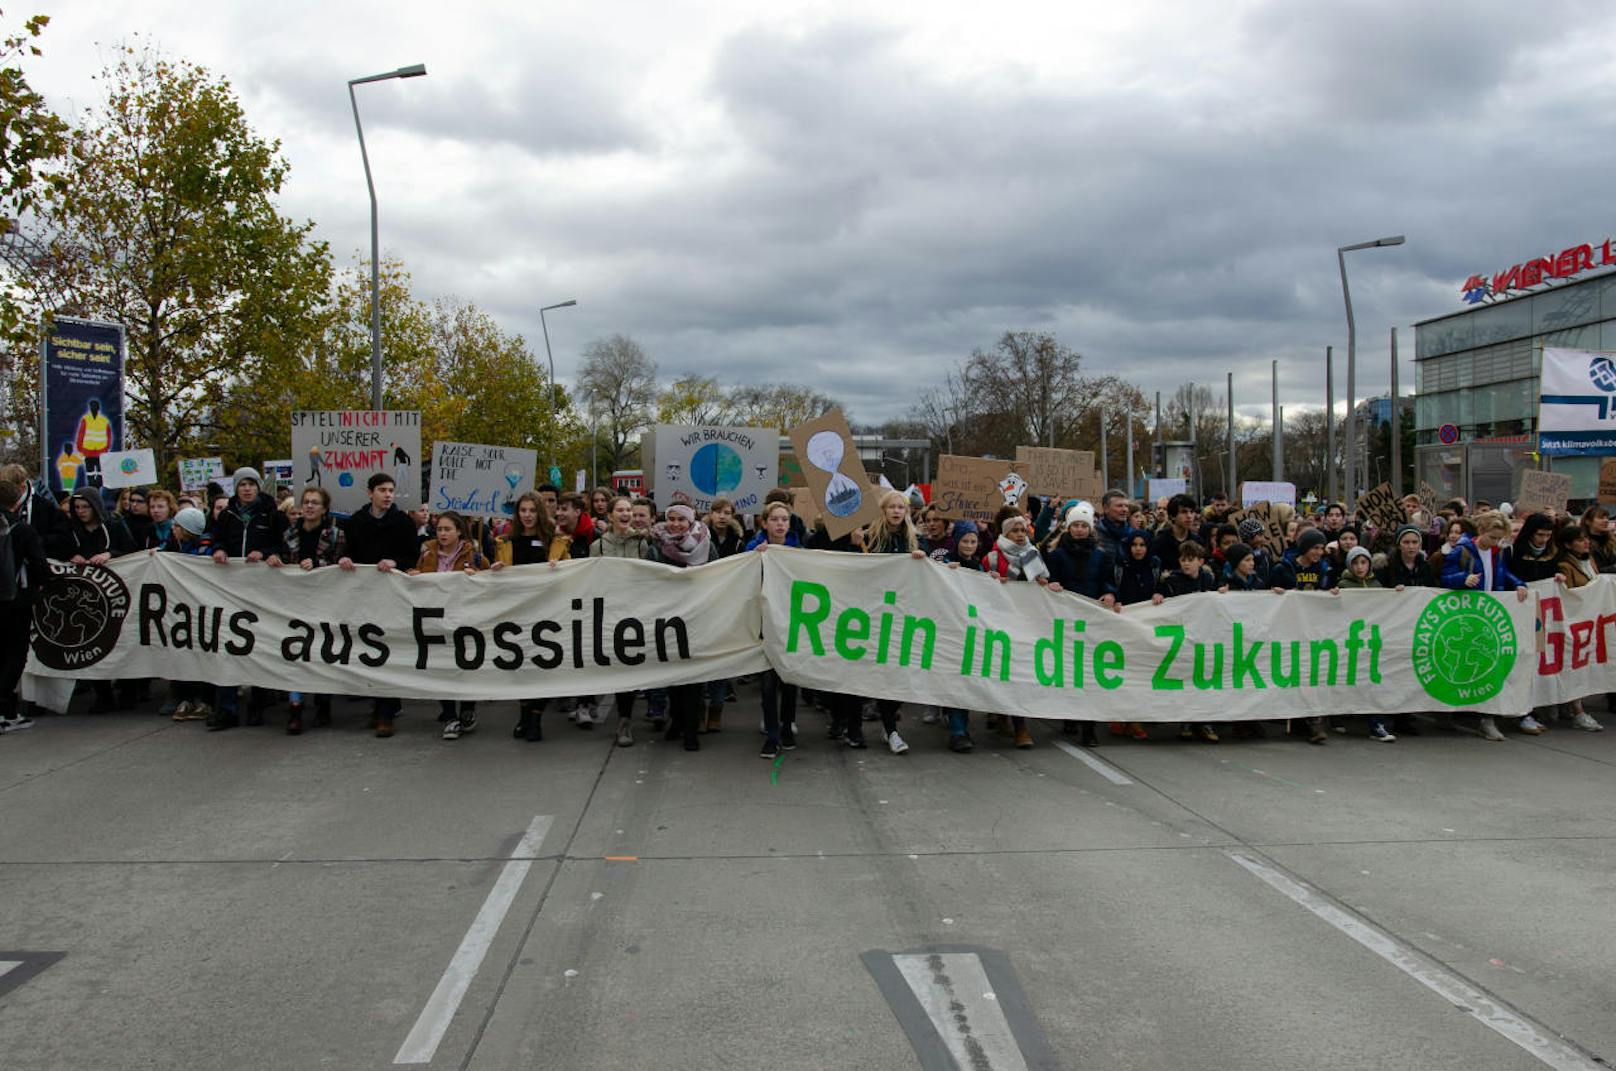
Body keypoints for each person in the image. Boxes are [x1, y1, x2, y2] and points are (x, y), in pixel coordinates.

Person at [1439, 509, 1532, 740]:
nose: (1495, 542)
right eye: (1492, 537)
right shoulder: (1461, 552)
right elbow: (1443, 578)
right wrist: (1462, 579)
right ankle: (1463, 713)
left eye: (1499, 538)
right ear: (1481, 531)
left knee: (1489, 668)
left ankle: (1486, 717)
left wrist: (1519, 584)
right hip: (1468, 619)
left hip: (1489, 617)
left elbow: (1503, 573)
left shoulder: (1495, 554)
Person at [340, 473, 421, 738]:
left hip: (391, 596)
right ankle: (377, 702)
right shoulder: (356, 522)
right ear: (370, 493)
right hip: (362, 596)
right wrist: (345, 560)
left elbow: (412, 555)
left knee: (387, 650)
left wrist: (396, 562)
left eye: (391, 490)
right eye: (382, 490)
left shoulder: (403, 523)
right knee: (367, 650)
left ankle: (386, 711)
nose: (388, 495)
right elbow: (344, 551)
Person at [267, 486, 346, 733]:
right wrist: (274, 559)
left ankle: (323, 704)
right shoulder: (289, 532)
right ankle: (295, 706)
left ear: (324, 508)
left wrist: (319, 564)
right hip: (296, 600)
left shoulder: (335, 534)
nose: (310, 506)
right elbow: (281, 556)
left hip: (325, 602)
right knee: (295, 652)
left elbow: (340, 566)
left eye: (315, 502)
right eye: (306, 502)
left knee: (322, 652)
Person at [1040, 502, 1115, 749]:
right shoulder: (1057, 555)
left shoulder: (1101, 555)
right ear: (1068, 528)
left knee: (1090, 675)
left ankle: (1089, 727)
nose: (1080, 530)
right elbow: (1049, 578)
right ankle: (1069, 715)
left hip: (1093, 620)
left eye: (1084, 525)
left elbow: (1108, 581)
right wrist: (1051, 585)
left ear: (1090, 528)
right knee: (1069, 672)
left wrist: (1110, 594)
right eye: (1076, 526)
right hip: (1066, 620)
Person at [409, 510, 486, 740]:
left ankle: (467, 709)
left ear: (459, 531)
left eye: (447, 529)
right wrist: (414, 575)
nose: (442, 533)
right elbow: (419, 574)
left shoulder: (473, 554)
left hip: (464, 618)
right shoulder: (427, 552)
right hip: (435, 618)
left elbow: (489, 578)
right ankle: (450, 715)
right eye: (439, 529)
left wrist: (477, 574)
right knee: (441, 666)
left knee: (465, 663)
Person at [588, 495, 658, 747]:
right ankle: (624, 720)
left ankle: (649, 710)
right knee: (622, 664)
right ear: (610, 515)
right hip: (613, 612)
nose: (626, 513)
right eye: (620, 510)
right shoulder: (599, 546)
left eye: (629, 509)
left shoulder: (644, 543)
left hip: (639, 610)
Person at [649, 504, 714, 750]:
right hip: (668, 619)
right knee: (673, 676)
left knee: (693, 677)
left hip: (697, 617)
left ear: (691, 521)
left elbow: (719, 575)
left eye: (681, 520)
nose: (675, 524)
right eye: (671, 519)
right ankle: (676, 720)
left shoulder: (707, 544)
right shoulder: (656, 548)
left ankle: (691, 729)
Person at [1152, 540, 1221, 743]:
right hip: (1182, 637)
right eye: (1183, 560)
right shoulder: (1171, 580)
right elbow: (1159, 594)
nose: (1186, 564)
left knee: (1205, 679)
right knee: (1186, 678)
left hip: (1204, 637)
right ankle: (1187, 720)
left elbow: (1216, 598)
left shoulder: (1208, 578)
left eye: (1190, 560)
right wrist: (1157, 594)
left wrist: (1221, 594)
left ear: (1200, 561)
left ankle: (1206, 721)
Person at [749, 502, 802, 757]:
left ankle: (787, 726)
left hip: (792, 623)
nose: (780, 523)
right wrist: (756, 558)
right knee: (769, 683)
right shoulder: (754, 549)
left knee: (789, 679)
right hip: (765, 623)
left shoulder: (799, 550)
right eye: (775, 519)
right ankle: (771, 734)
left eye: (785, 519)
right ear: (765, 522)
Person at [0, 476, 49, 734]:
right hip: (15, 598)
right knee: (15, 653)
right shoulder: (21, 529)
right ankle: (3, 708)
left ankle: (9, 710)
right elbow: (39, 565)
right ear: (17, 502)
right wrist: (43, 584)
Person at [1149, 494, 1200, 568]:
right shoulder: (1159, 542)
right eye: (1184, 512)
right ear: (1172, 516)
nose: (1189, 516)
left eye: (1191, 512)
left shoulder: (1197, 541)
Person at [1505, 513, 1559, 584]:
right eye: (1540, 535)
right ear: (1530, 532)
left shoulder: (1553, 552)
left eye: (1548, 535)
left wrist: (1558, 575)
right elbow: (1505, 574)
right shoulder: (1512, 551)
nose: (1544, 540)